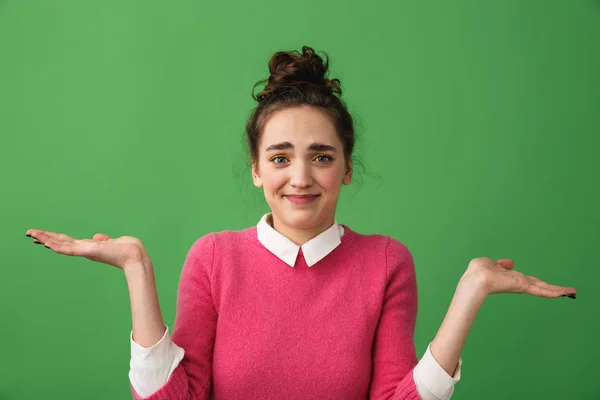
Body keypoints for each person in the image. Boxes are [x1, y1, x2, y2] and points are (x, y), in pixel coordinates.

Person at [25, 45, 577, 400]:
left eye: (321, 156)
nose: (301, 178)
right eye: (281, 157)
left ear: (346, 169)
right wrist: (135, 266)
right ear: (257, 170)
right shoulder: (214, 257)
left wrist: (471, 291)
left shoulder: (386, 262)